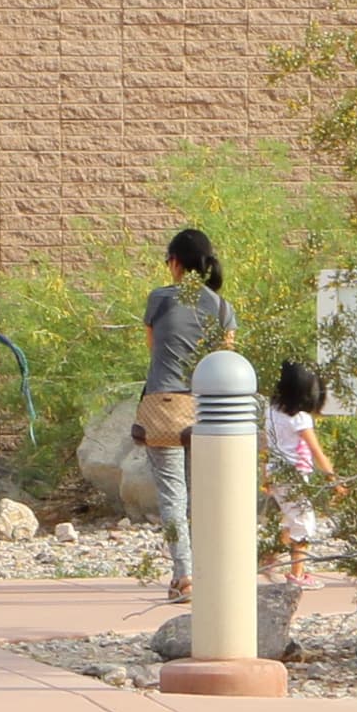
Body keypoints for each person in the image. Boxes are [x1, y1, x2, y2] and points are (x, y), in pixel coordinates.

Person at [137, 228, 236, 604]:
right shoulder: (222, 308)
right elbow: (226, 362)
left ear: (175, 263)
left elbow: (153, 348)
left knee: (172, 496)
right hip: (209, 410)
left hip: (164, 406)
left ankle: (185, 576)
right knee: (205, 494)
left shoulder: (160, 299)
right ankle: (213, 573)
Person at [266, 358, 332, 585]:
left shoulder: (272, 411)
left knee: (290, 520)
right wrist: (332, 477)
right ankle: (297, 575)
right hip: (293, 475)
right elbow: (316, 450)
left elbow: (268, 443)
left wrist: (265, 475)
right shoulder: (300, 418)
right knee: (303, 523)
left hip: (275, 472)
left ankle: (269, 557)